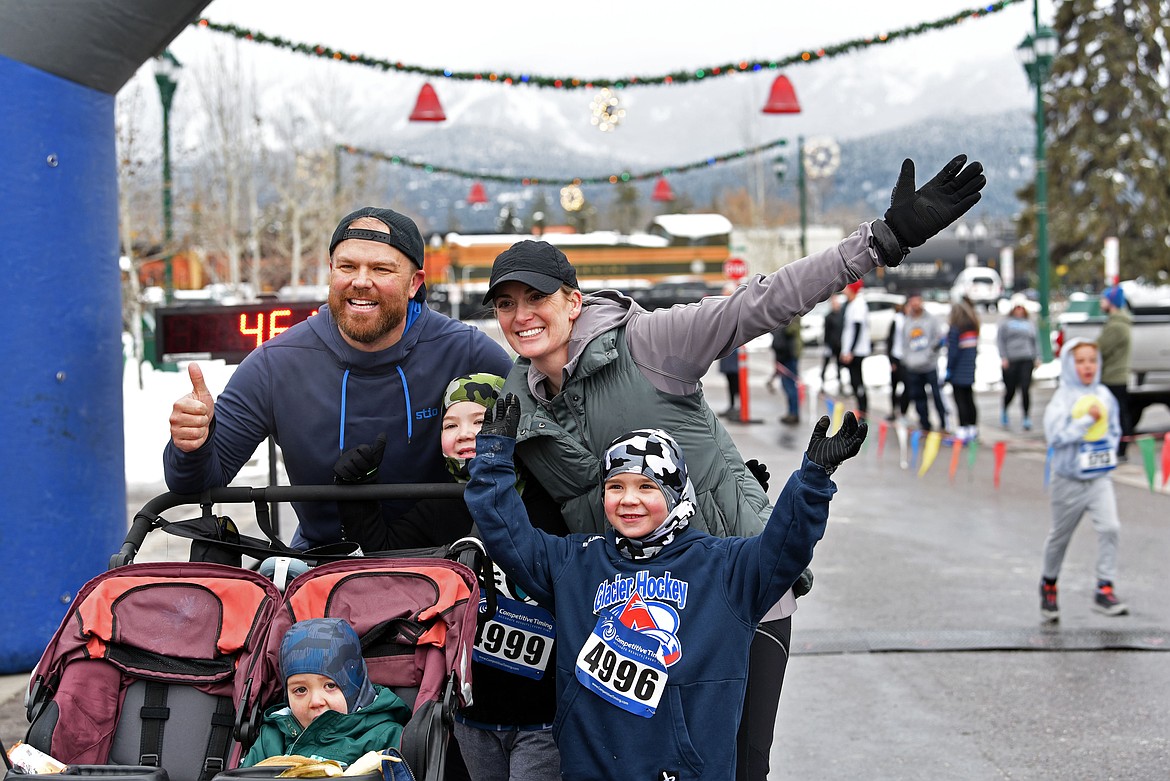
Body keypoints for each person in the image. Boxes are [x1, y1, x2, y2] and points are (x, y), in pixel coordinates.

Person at [481, 152, 984, 781]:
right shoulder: (516, 399)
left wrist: (884, 239)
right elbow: (509, 495)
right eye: (505, 303)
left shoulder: (651, 342)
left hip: (735, 583)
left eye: (538, 297)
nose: (522, 314)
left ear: (574, 300)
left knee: (736, 766)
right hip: (626, 613)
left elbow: (762, 303)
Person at [464, 396, 867, 781]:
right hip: (589, 767)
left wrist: (813, 478)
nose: (629, 501)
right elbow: (508, 536)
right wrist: (493, 459)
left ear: (674, 493)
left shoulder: (724, 566)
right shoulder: (575, 561)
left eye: (647, 487)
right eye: (616, 487)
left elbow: (786, 545)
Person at [163, 207, 513, 549]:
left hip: (449, 567)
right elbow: (196, 481)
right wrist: (192, 443)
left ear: (414, 283)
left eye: (381, 268)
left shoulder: (468, 352)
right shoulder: (275, 364)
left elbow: (536, 458)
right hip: (323, 567)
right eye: (348, 266)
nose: (361, 281)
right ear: (331, 271)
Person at [333, 373, 568, 781]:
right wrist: (356, 490)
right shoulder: (438, 504)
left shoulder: (550, 501)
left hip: (543, 711)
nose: (465, 434)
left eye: (480, 421)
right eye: (450, 424)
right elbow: (387, 557)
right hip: (469, 712)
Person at [242, 618, 412, 767]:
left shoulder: (384, 737)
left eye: (330, 686)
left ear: (353, 688)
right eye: (300, 690)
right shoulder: (272, 737)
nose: (316, 701)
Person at [1040, 339, 1128, 621]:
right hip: (1068, 480)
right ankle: (1049, 584)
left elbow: (1115, 430)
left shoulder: (1104, 395)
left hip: (1099, 478)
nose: (1087, 366)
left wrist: (1107, 450)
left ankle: (1104, 587)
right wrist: (1085, 423)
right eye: (1080, 361)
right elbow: (1055, 437)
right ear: (1069, 365)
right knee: (1060, 537)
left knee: (1111, 528)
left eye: (1092, 360)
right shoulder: (1062, 399)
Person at [899, 291, 948, 431]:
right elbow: (904, 343)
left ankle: (943, 423)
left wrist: (930, 355)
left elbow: (938, 340)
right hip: (913, 367)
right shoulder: (907, 321)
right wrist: (907, 359)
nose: (915, 304)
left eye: (917, 301)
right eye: (912, 302)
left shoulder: (931, 320)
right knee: (918, 398)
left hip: (929, 366)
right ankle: (925, 424)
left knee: (937, 396)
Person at [1097, 284, 1133, 460]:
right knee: (1118, 413)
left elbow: (1099, 348)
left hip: (1113, 376)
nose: (1100, 302)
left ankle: (1120, 448)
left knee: (1117, 414)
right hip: (1114, 375)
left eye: (1104, 299)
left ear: (1111, 302)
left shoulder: (1116, 326)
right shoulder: (1116, 322)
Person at [996, 293, 1040, 430]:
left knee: (1026, 389)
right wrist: (1003, 357)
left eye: (1021, 307)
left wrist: (1037, 356)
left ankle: (1026, 417)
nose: (1019, 310)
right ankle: (1004, 410)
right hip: (1011, 359)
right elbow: (1000, 341)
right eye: (1017, 307)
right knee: (1011, 390)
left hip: (1027, 359)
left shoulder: (1030, 323)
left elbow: (1035, 341)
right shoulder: (1006, 323)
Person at [945, 294, 981, 441]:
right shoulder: (972, 327)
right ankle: (972, 428)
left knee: (960, 401)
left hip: (959, 371)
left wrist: (949, 369)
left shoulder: (955, 329)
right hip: (970, 368)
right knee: (969, 398)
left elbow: (953, 352)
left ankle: (962, 430)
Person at [839, 279, 870, 419]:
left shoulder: (858, 304)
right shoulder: (851, 304)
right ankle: (861, 409)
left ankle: (863, 411)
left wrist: (850, 351)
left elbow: (857, 329)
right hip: (851, 350)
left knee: (857, 382)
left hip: (857, 351)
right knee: (854, 381)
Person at [770, 317, 802, 425]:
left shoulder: (792, 315)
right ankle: (791, 412)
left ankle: (794, 413)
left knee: (790, 385)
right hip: (783, 354)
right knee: (787, 385)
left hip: (789, 354)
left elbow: (791, 331)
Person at [886, 301, 907, 421]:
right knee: (894, 386)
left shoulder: (911, 320)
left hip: (908, 359)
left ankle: (903, 411)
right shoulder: (897, 320)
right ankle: (894, 410)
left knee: (907, 387)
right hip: (896, 356)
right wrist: (891, 360)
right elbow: (889, 341)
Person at [821, 293, 847, 391]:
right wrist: (826, 344)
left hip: (838, 345)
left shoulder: (841, 316)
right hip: (830, 344)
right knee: (825, 364)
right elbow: (826, 332)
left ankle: (840, 385)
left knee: (839, 366)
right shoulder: (828, 317)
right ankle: (822, 384)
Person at [718, 348, 743, 418]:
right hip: (729, 359)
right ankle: (733, 406)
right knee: (732, 385)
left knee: (736, 385)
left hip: (733, 359)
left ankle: (738, 407)